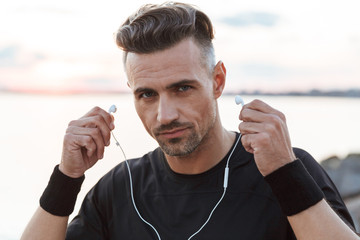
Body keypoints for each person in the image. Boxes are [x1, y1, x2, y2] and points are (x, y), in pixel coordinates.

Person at [21, 2, 359, 240]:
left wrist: (286, 173)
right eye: (147, 95)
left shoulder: (286, 170)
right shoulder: (119, 189)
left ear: (217, 81)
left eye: (182, 88)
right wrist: (67, 178)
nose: (164, 115)